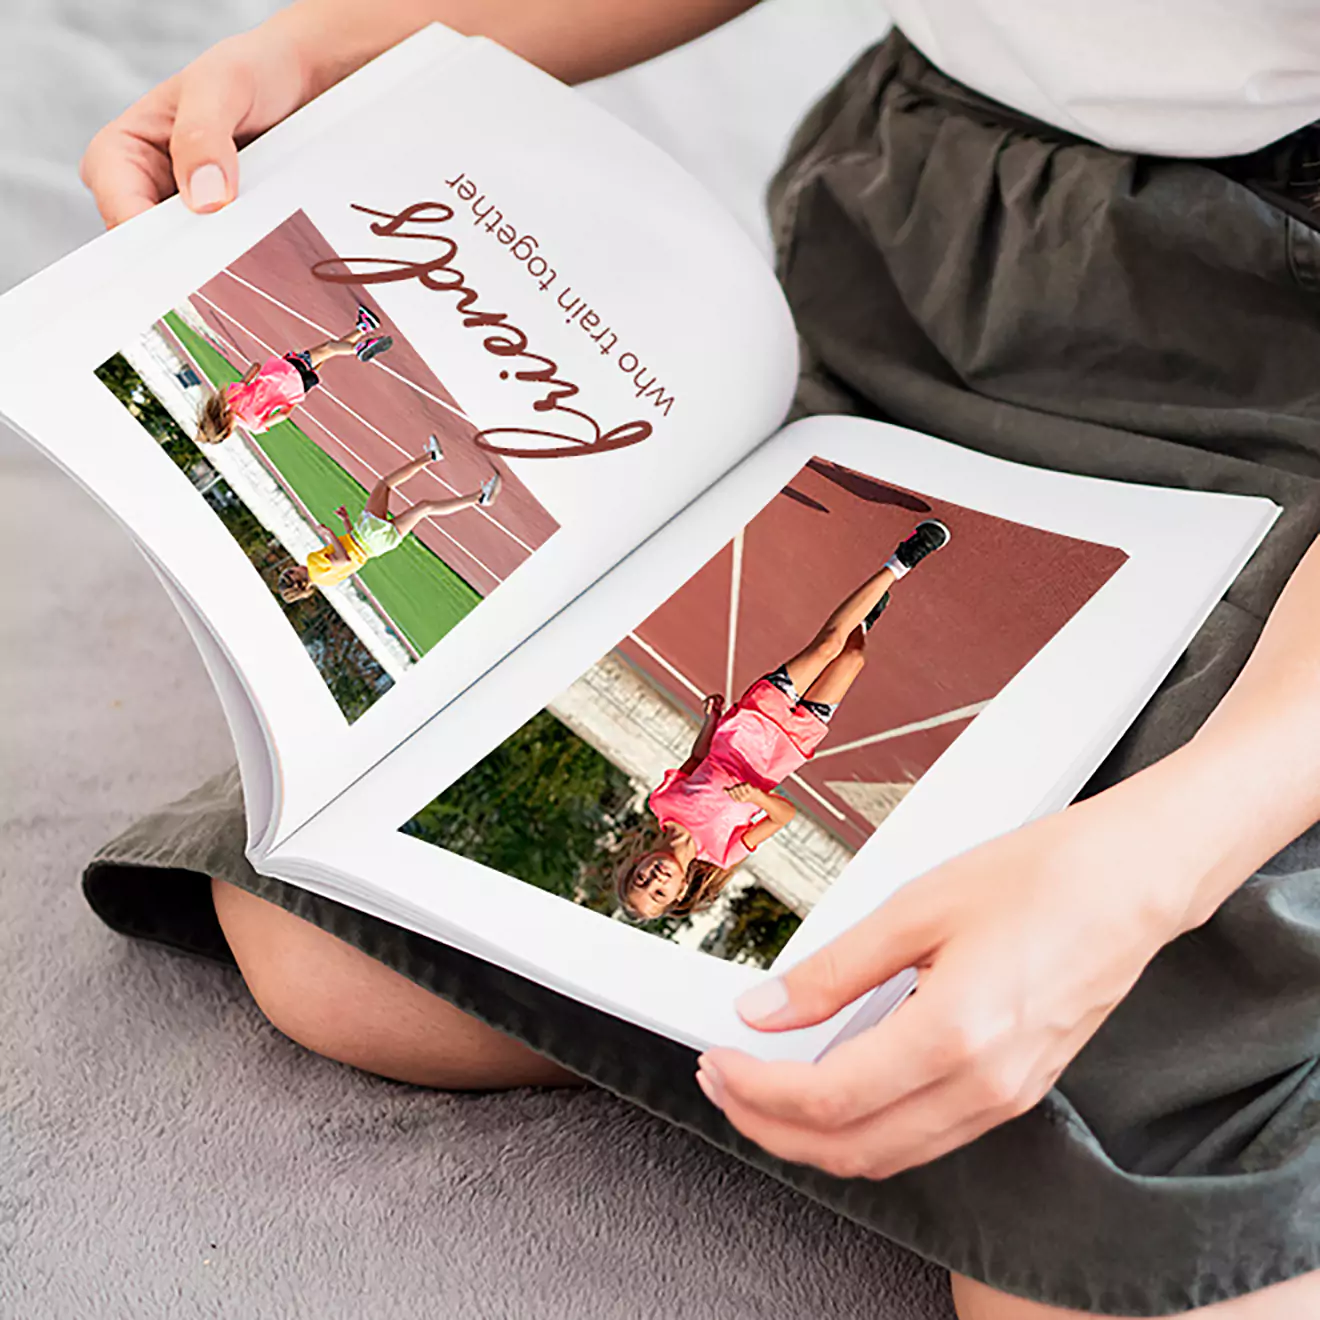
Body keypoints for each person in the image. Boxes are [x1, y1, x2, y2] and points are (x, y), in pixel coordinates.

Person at [76, 2, 1320, 1316]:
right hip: (920, 245)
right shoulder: (681, 834)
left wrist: (1153, 867)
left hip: (1277, 358)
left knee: (1130, 1273)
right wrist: (326, 53)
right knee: (338, 967)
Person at [619, 520, 949, 922]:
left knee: (828, 644)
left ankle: (904, 558)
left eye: (641, 880)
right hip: (788, 747)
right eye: (659, 892)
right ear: (680, 891)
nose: (654, 879)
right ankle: (862, 619)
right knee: (852, 657)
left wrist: (711, 721)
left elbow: (695, 762)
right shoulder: (724, 852)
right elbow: (784, 816)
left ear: (636, 864)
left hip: (752, 723)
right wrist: (756, 798)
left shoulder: (663, 803)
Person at [277, 435, 501, 600]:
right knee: (384, 484)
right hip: (366, 536)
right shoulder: (313, 565)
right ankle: (431, 455)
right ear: (295, 577)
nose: (292, 566)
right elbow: (344, 558)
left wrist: (345, 524)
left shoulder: (326, 581)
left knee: (425, 508)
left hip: (376, 548)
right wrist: (329, 534)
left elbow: (350, 558)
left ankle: (480, 498)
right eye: (290, 571)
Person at [195, 303, 392, 443]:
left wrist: (291, 401)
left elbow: (283, 416)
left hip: (296, 389)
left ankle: (363, 327)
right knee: (328, 348)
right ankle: (358, 349)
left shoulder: (254, 427)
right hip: (282, 372)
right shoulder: (232, 397)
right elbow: (254, 368)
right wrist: (257, 372)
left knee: (327, 354)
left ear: (227, 434)